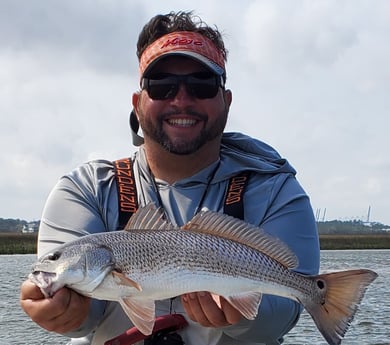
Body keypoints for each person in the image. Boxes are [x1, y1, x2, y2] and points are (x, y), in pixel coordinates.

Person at [20, 11, 320, 345]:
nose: (181, 100)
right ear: (137, 104)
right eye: (161, 86)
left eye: (201, 85)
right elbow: (83, 319)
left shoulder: (277, 189)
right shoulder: (84, 190)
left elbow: (282, 316)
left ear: (227, 101)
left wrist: (243, 315)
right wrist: (65, 313)